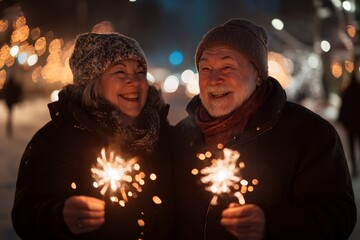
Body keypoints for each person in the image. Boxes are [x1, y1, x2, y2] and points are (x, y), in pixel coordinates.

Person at [171, 18, 356, 240]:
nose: (214, 79)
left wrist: (271, 223)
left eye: (227, 66)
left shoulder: (309, 133)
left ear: (258, 75)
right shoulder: (184, 135)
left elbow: (338, 217)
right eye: (205, 68)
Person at [11, 32, 173, 240]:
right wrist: (61, 215)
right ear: (93, 83)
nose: (134, 81)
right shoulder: (57, 139)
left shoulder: (163, 136)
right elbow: (26, 216)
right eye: (120, 72)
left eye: (140, 72)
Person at [338, 72, 360, 177]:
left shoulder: (347, 92)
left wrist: (343, 121)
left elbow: (342, 109)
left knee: (351, 146)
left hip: (351, 125)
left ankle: (355, 168)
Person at [3, 74, 22, 138]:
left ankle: (9, 128)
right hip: (10, 102)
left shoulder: (7, 85)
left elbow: (5, 93)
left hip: (8, 102)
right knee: (10, 115)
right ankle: (9, 128)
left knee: (9, 115)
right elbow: (17, 91)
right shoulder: (13, 86)